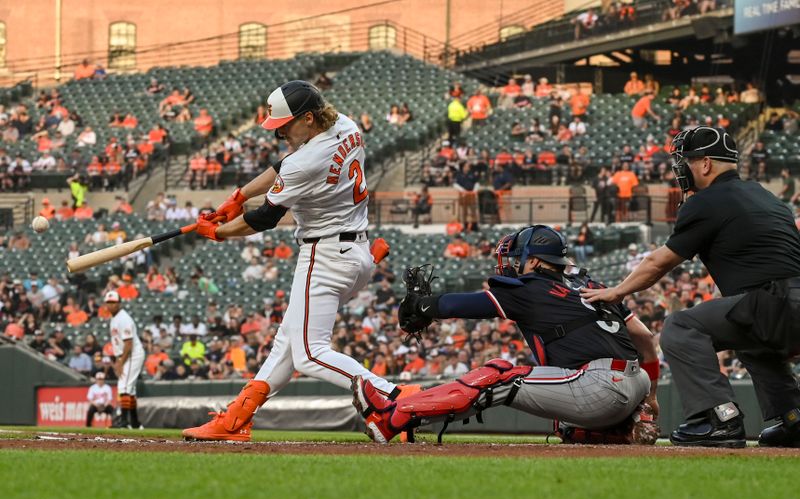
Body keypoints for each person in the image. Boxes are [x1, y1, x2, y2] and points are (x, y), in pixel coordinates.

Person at [182, 81, 414, 442]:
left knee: (308, 353)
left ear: (308, 118)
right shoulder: (346, 125)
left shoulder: (306, 161)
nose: (280, 135)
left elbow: (265, 219)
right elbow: (283, 165)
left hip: (324, 256)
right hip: (357, 253)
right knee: (287, 344)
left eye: (285, 127)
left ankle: (397, 399)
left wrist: (219, 232)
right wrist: (239, 195)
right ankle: (237, 419)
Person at [582, 127, 800, 448]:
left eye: (687, 161)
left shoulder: (706, 201)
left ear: (706, 164)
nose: (682, 169)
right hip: (786, 301)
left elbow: (659, 262)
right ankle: (794, 417)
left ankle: (718, 418)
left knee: (680, 326)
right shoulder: (767, 197)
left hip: (772, 300)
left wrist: (616, 292)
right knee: (753, 341)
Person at [352, 225, 660, 444]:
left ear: (536, 262)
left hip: (599, 387)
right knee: (565, 424)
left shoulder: (532, 288)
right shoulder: (589, 284)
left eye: (519, 259)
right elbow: (643, 336)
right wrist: (653, 393)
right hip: (635, 383)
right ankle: (628, 427)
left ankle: (392, 417)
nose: (513, 266)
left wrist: (423, 305)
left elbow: (464, 304)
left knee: (498, 376)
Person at [105, 290, 145, 429]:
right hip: (126, 355)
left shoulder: (123, 318)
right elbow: (119, 344)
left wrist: (120, 363)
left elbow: (129, 343)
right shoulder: (114, 318)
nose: (111, 305)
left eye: (113, 302)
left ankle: (124, 423)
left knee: (124, 387)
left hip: (133, 354)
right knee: (130, 389)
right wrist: (118, 361)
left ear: (119, 303)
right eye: (108, 302)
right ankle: (135, 424)